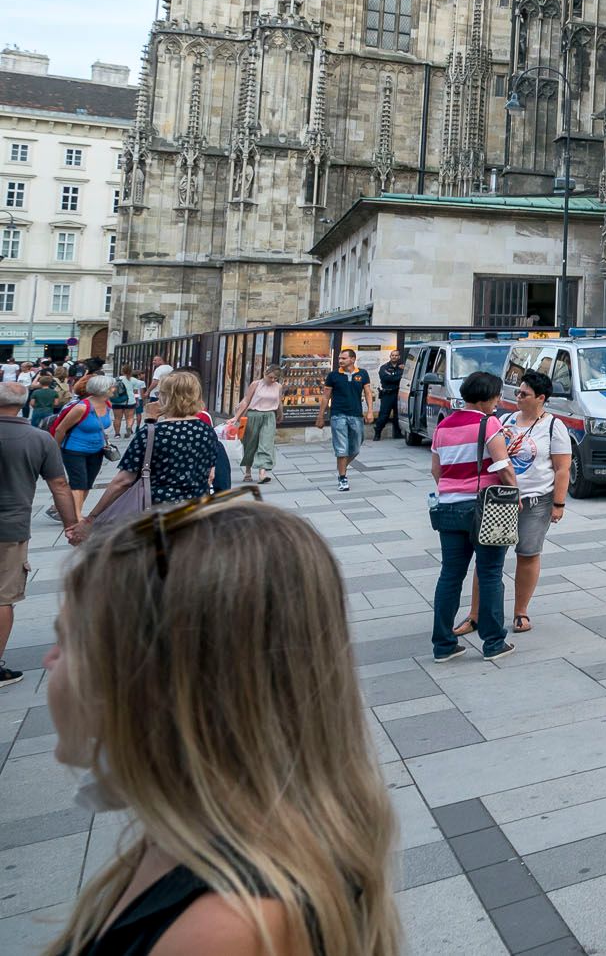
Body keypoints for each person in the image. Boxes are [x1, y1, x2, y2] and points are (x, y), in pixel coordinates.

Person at [41, 491, 401, 954]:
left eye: (68, 641)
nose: (50, 662)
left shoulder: (220, 929)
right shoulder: (215, 834)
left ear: (154, 682)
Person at [457, 369, 571, 638]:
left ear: (541, 398)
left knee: (528, 553)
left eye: (524, 394)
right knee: (486, 557)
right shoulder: (505, 419)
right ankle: (475, 615)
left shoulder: (554, 426)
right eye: (517, 392)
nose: (517, 397)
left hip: (536, 500)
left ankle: (521, 612)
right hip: (500, 499)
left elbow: (562, 468)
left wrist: (558, 504)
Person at [0, 380, 86, 687]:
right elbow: (59, 486)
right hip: (10, 529)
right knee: (2, 598)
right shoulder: (38, 439)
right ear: (25, 403)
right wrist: (71, 525)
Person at [429, 371, 519, 662]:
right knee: (490, 573)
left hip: (448, 508)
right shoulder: (487, 422)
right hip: (485, 508)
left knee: (450, 575)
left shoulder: (443, 426)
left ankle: (443, 645)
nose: (498, 402)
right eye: (496, 396)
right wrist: (514, 494)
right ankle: (493, 642)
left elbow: (436, 471)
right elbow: (503, 466)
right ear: (485, 399)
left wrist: (453, 489)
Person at [94, 370, 226, 510]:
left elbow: (123, 480)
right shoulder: (207, 431)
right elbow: (210, 474)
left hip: (159, 512)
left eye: (160, 394)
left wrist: (93, 516)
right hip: (195, 510)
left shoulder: (153, 432)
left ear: (166, 397)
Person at [51, 375, 116, 523]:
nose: (114, 389)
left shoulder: (107, 404)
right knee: (78, 482)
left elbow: (101, 426)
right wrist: (54, 451)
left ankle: (71, 510)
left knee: (87, 483)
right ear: (102, 389)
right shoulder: (82, 407)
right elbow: (61, 430)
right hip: (74, 450)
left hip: (97, 450)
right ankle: (76, 516)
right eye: (112, 386)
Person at [318, 347, 370, 492]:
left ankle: (342, 466)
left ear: (352, 359)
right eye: (340, 358)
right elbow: (325, 396)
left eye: (343, 358)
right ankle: (343, 478)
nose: (340, 360)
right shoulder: (333, 376)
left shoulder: (362, 374)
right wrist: (321, 415)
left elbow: (367, 393)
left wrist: (370, 411)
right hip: (338, 415)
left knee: (355, 447)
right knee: (341, 448)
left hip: (356, 415)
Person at [231, 364, 284, 486]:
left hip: (269, 416)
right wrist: (236, 417)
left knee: (266, 443)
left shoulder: (278, 386)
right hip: (253, 415)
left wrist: (280, 413)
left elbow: (278, 401)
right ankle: (247, 471)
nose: (273, 380)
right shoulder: (256, 384)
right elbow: (246, 401)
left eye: (275, 378)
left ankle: (262, 473)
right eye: (271, 377)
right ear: (265, 373)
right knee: (250, 443)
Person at [372, 354, 404, 441]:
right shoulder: (384, 367)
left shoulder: (402, 367)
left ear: (399, 357)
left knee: (398, 415)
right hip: (388, 394)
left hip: (398, 394)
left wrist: (396, 376)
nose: (394, 357)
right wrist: (398, 376)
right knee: (384, 415)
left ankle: (397, 433)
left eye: (397, 355)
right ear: (390, 356)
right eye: (393, 355)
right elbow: (387, 378)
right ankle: (377, 433)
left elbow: (403, 378)